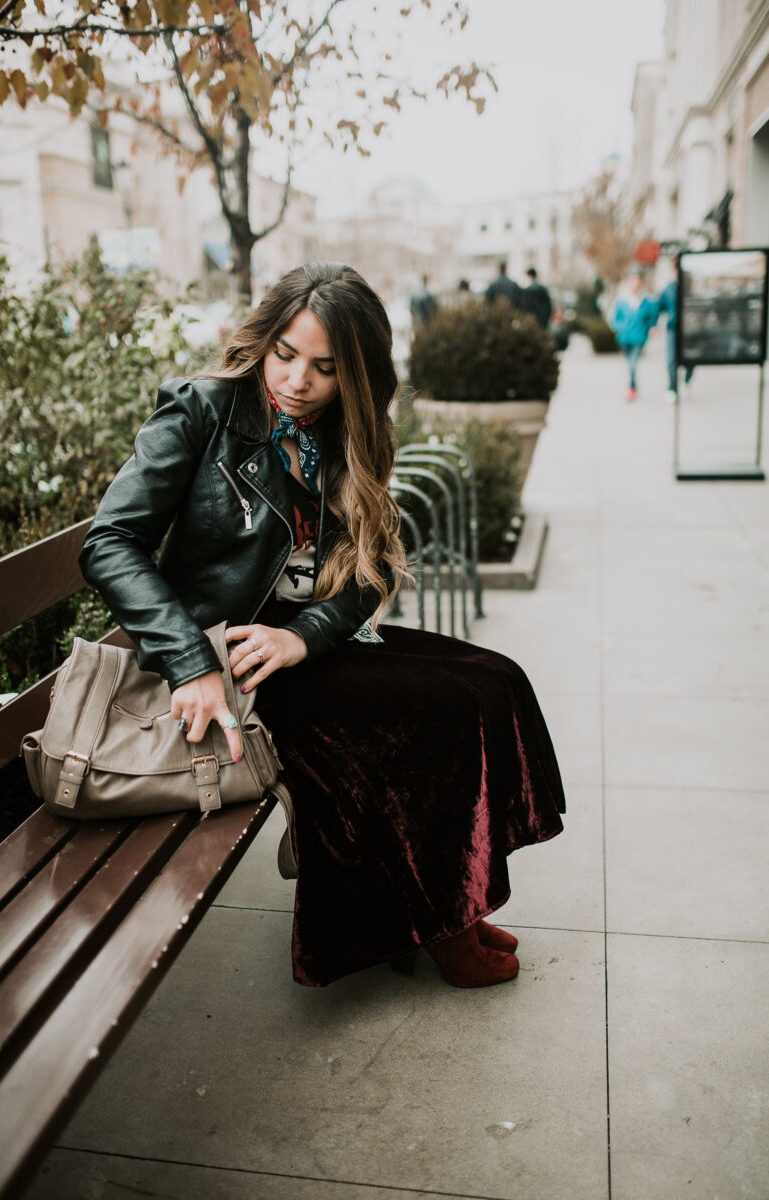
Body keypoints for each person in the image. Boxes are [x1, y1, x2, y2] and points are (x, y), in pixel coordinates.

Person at [80, 262, 565, 990]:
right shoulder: (202, 412)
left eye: (325, 367)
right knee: (431, 712)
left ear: (355, 376)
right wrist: (191, 662)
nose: (297, 380)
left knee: (492, 680)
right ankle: (445, 922)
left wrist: (305, 634)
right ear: (264, 340)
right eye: (285, 354)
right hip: (229, 660)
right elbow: (109, 543)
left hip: (299, 645)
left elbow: (368, 573)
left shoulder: (346, 433)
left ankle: (448, 901)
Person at [608, 270, 659, 401]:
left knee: (633, 364)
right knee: (630, 363)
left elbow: (651, 318)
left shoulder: (646, 301)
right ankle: (633, 385)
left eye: (637, 281)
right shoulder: (622, 300)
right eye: (633, 280)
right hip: (624, 339)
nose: (635, 284)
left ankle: (631, 388)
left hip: (639, 338)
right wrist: (620, 328)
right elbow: (614, 318)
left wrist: (652, 328)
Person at [658, 255, 694, 404]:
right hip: (673, 328)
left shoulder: (690, 287)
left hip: (690, 329)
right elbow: (659, 307)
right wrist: (653, 325)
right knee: (671, 360)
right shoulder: (668, 289)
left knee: (691, 359)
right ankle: (673, 388)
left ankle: (686, 379)